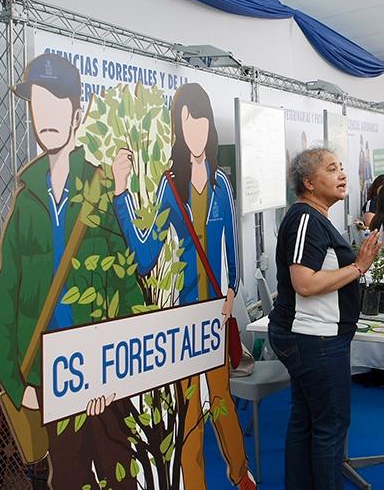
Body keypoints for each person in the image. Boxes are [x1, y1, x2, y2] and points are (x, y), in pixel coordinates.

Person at [0, 54, 144, 490]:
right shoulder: (26, 201)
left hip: (102, 378)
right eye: (39, 104)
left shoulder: (100, 187)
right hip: (49, 377)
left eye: (58, 103)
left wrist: (115, 371)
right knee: (69, 478)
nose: (47, 116)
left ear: (78, 113)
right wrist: (19, 383)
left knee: (119, 476)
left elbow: (125, 283)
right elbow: (7, 296)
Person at [112, 83, 256, 490]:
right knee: (189, 410)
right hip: (183, 315)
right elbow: (144, 255)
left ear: (210, 126)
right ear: (179, 127)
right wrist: (122, 193)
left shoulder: (222, 185)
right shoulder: (169, 186)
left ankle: (239, 471)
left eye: (202, 121)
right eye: (187, 122)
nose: (196, 130)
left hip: (215, 313)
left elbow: (233, 252)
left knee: (222, 400)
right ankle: (195, 484)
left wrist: (229, 296)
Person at [268, 148, 380, 489]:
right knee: (330, 426)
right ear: (308, 183)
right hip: (313, 338)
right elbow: (304, 283)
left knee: (307, 420)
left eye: (342, 167)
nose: (342, 175)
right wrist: (358, 267)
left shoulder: (314, 218)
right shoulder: (305, 219)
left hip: (316, 336)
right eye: (332, 169)